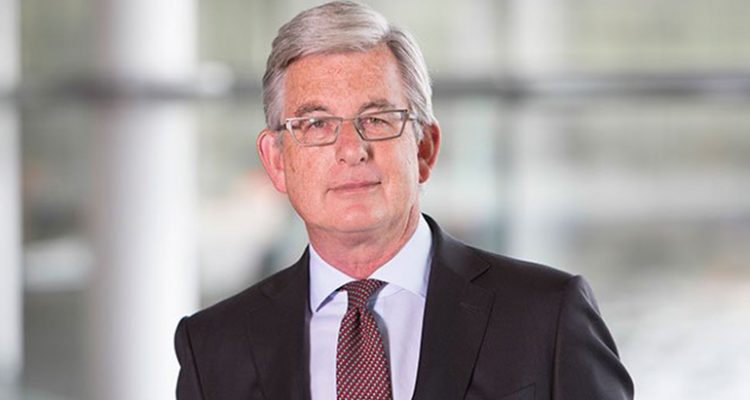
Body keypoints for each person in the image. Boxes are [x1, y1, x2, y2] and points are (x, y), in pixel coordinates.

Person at [174, 1, 634, 399]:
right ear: (276, 161)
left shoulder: (547, 316)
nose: (351, 150)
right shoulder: (213, 347)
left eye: (377, 119)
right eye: (316, 125)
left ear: (424, 148)